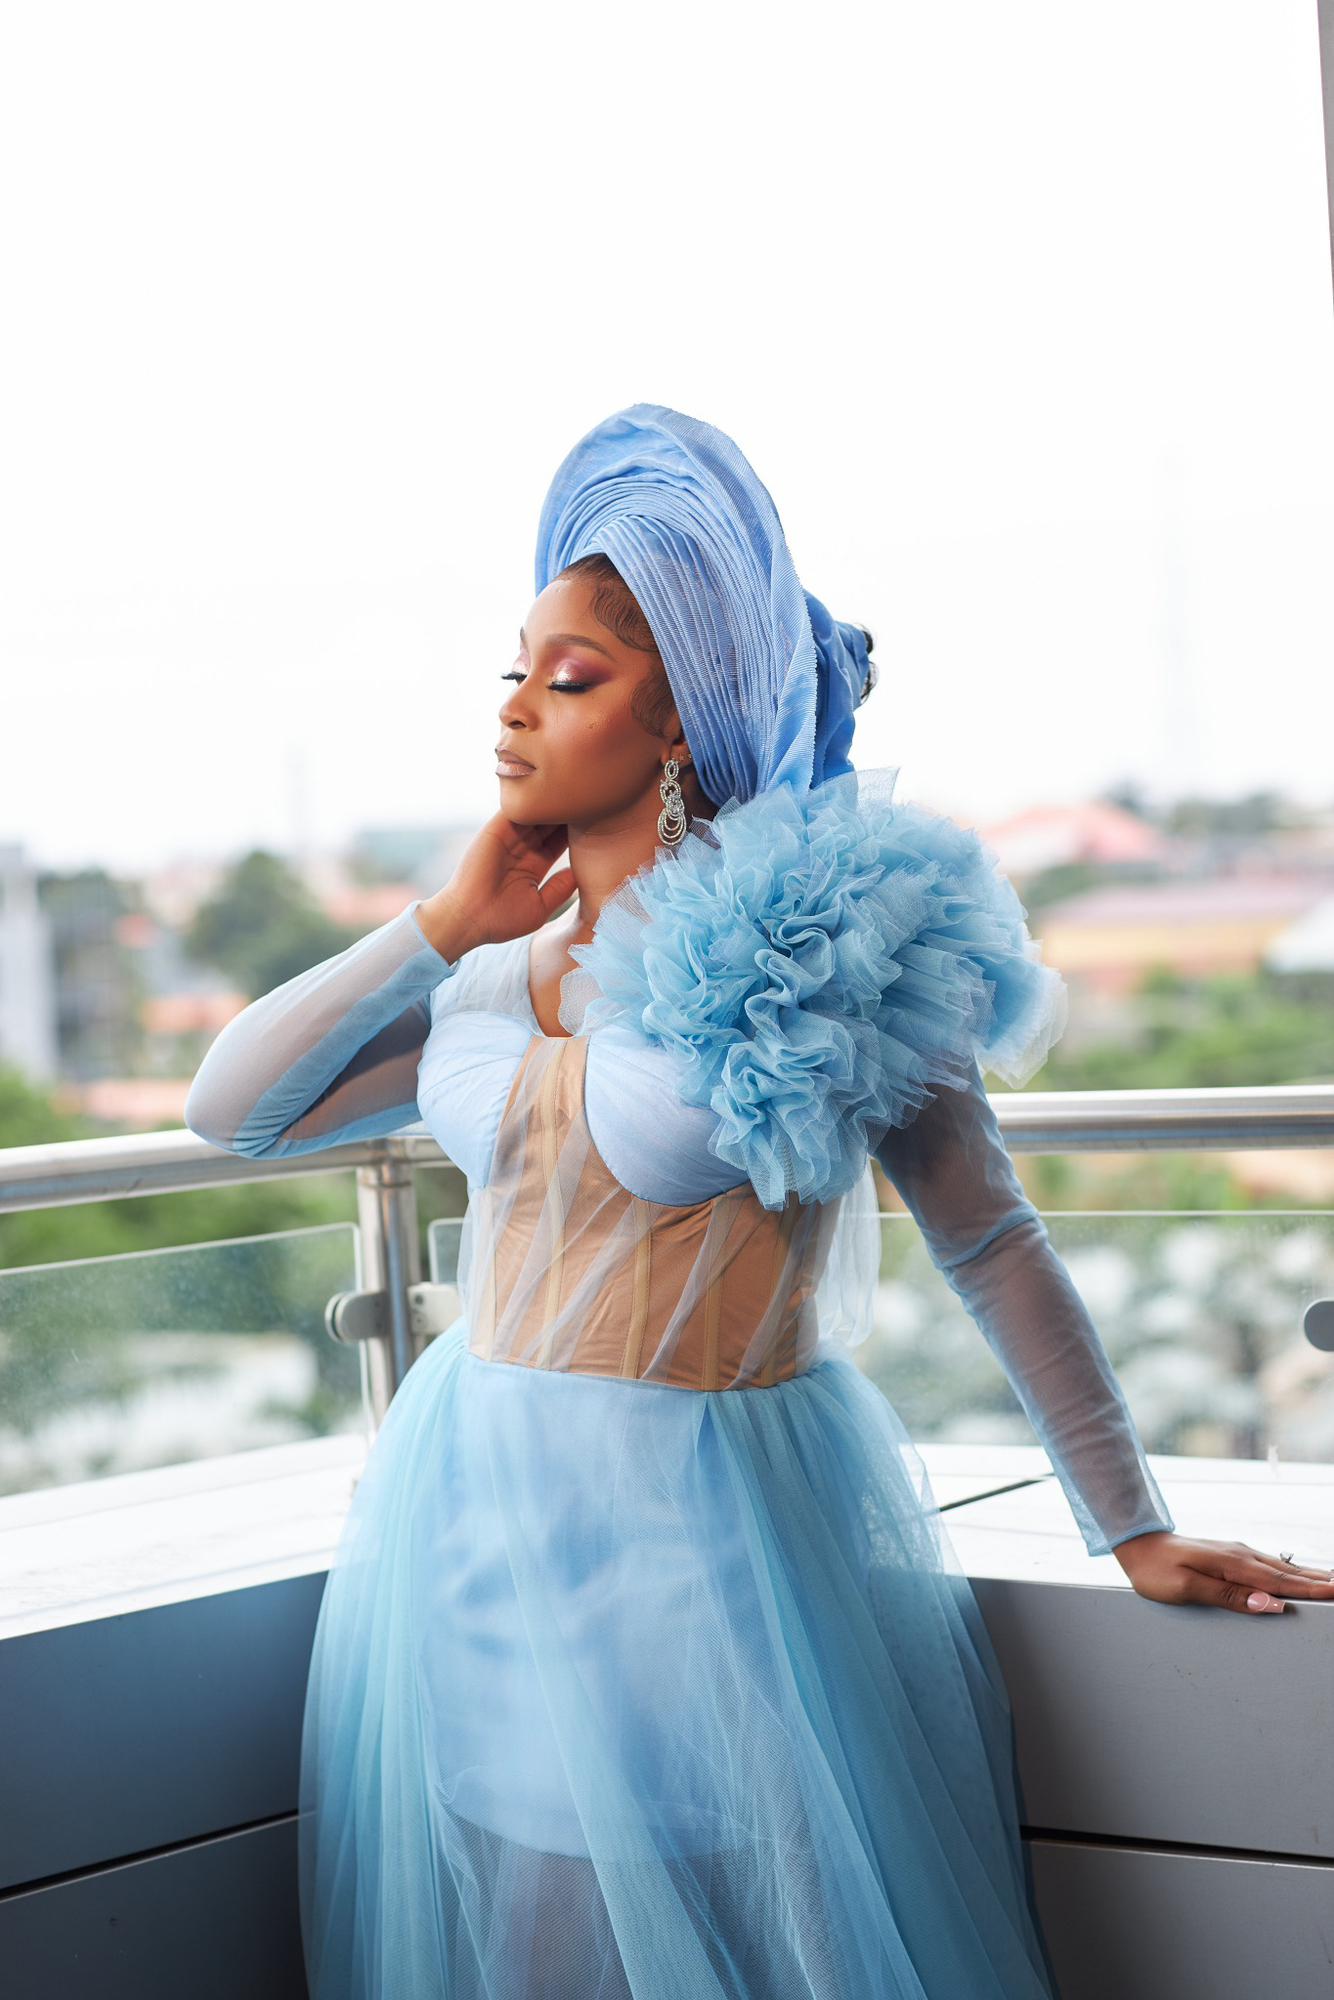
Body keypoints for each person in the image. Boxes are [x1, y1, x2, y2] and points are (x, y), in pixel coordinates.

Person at [185, 404, 1334, 1999]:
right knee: (519, 1939)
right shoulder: (490, 972)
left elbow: (988, 1237)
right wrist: (439, 925)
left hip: (702, 1527)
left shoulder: (821, 951)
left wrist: (1127, 1525)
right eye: (511, 671)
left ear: (678, 724)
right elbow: (234, 1111)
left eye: (569, 677)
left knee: (729, 1930)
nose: (513, 708)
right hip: (476, 1516)